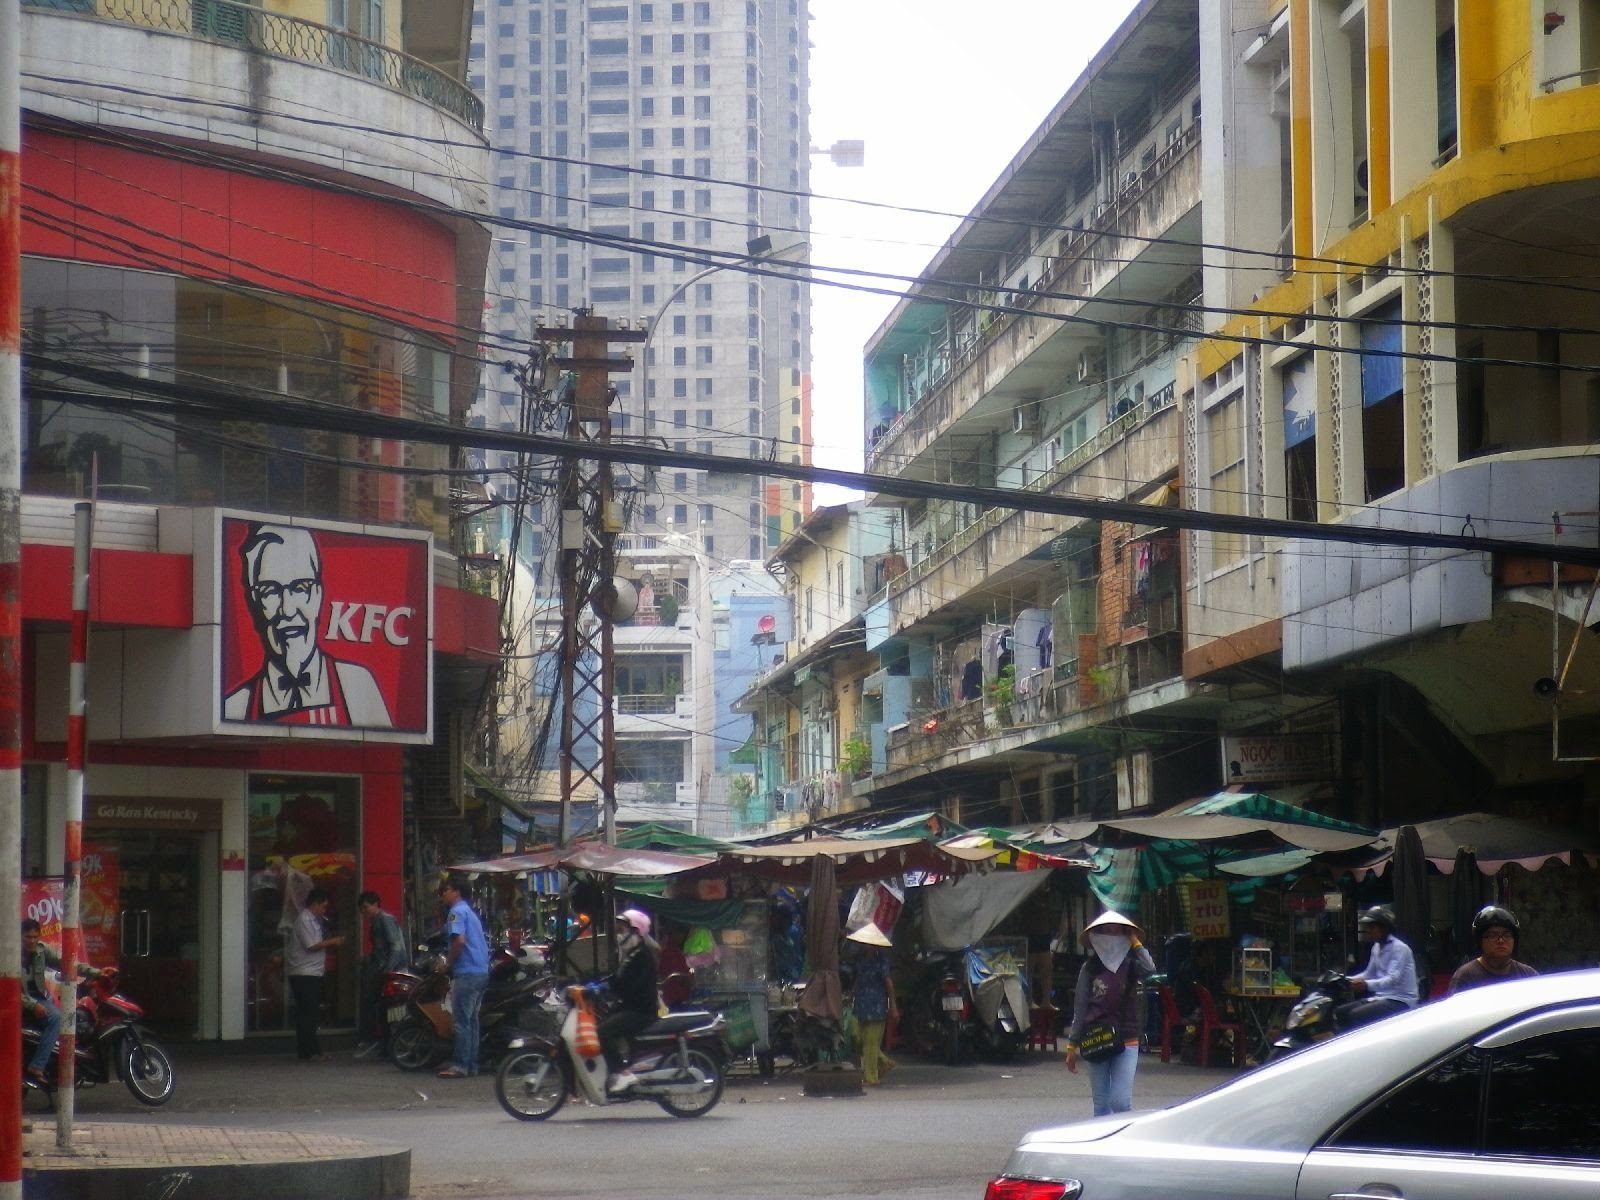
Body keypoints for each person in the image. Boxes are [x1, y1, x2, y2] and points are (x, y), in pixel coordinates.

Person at [223, 523, 393, 727]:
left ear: (318, 595)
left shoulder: (357, 686)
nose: (287, 609)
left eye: (300, 588)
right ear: (254, 602)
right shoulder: (235, 707)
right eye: (270, 591)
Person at [1064, 910, 1156, 1117]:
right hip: (1096, 1036)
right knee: (1101, 1103)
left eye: (1117, 932)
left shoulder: (1132, 965)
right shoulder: (1090, 968)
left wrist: (1135, 942)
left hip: (1128, 1037)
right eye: (1106, 932)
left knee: (1121, 1102)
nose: (1111, 938)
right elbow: (1080, 1007)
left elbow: (1150, 969)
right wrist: (1072, 1045)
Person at [21, 919, 106, 1085]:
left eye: (34, 937)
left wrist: (96, 973)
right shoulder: (9, 955)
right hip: (18, 999)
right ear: (20, 937)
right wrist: (33, 1005)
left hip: (39, 997)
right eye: (27, 937)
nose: (31, 941)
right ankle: (37, 1065)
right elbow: (9, 990)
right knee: (56, 1019)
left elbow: (68, 964)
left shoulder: (42, 951)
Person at [600, 909, 660, 1094]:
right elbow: (618, 979)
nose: (619, 935)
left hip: (641, 1011)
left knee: (602, 1032)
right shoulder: (632, 954)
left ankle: (622, 1071)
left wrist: (608, 988)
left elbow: (627, 985)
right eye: (618, 930)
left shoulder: (642, 955)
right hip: (631, 1007)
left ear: (636, 932)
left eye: (622, 930)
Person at [435, 876, 489, 1079]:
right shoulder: (470, 912)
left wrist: (447, 963)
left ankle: (459, 1065)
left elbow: (459, 941)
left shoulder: (456, 912)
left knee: (461, 1021)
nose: (443, 894)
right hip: (481, 971)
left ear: (456, 891)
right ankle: (471, 1064)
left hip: (467, 972)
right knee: (472, 1021)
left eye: (446, 890)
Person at [1335, 905, 1419, 1029]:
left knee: (1356, 1015)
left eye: (1372, 927)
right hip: (1381, 997)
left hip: (1400, 1000)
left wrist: (1366, 985)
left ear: (1384, 927)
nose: (1369, 931)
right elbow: (1368, 973)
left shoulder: (1400, 948)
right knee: (1340, 1012)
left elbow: (1392, 979)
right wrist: (1346, 979)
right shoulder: (1376, 947)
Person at [287, 888, 345, 1062]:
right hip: (304, 973)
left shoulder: (314, 920)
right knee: (308, 1013)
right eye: (323, 906)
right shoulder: (304, 919)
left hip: (312, 972)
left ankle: (309, 1050)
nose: (324, 910)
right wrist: (333, 941)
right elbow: (311, 945)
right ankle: (309, 1050)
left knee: (310, 1013)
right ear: (315, 904)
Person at [355, 890, 407, 1059]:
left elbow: (395, 947)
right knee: (384, 1009)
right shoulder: (376, 921)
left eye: (366, 907)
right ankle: (387, 1045)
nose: (364, 912)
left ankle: (391, 1044)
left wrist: (387, 970)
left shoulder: (384, 920)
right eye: (362, 909)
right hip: (384, 970)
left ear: (376, 904)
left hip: (391, 972)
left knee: (390, 1009)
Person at [846, 923, 898, 1086]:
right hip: (861, 1003)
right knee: (856, 1035)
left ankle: (871, 1077)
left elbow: (888, 983)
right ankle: (883, 1061)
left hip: (876, 1004)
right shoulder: (860, 959)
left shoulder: (881, 961)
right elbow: (858, 979)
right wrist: (851, 995)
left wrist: (893, 1006)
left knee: (871, 1042)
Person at [1448, 905, 1537, 994]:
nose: (1501, 941)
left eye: (1507, 935)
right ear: (1480, 941)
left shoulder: (1528, 975)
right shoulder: (1465, 977)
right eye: (1492, 935)